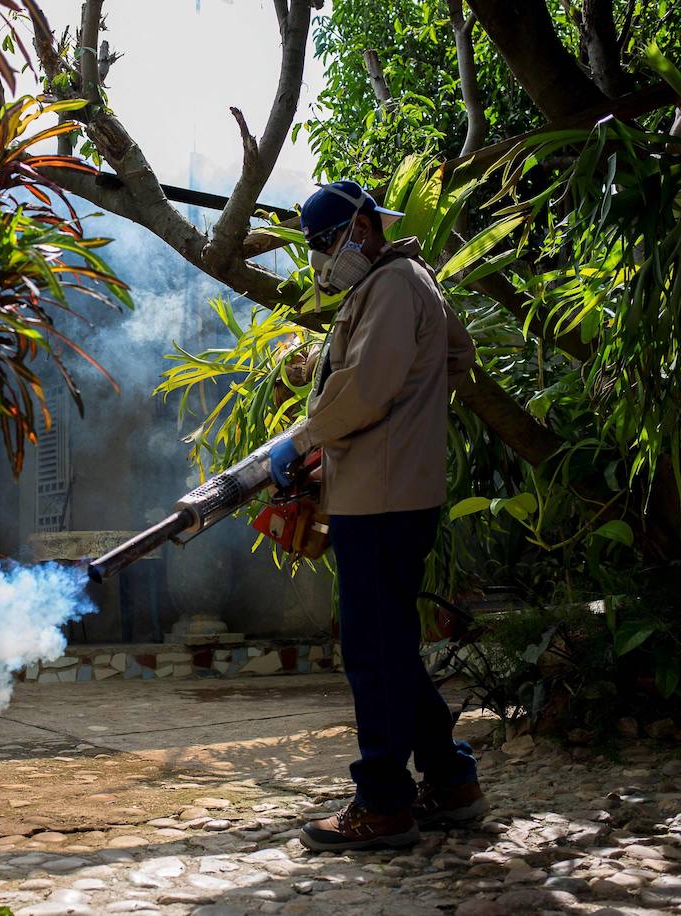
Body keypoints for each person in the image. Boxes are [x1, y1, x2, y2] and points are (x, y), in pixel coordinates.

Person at [268, 180, 484, 852]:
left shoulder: (393, 286)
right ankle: (450, 781)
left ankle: (383, 803)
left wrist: (304, 438)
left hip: (385, 500)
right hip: (384, 489)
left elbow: (363, 388)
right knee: (391, 647)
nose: (322, 261)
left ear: (362, 227)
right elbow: (449, 358)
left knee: (374, 652)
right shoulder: (398, 284)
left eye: (326, 243)